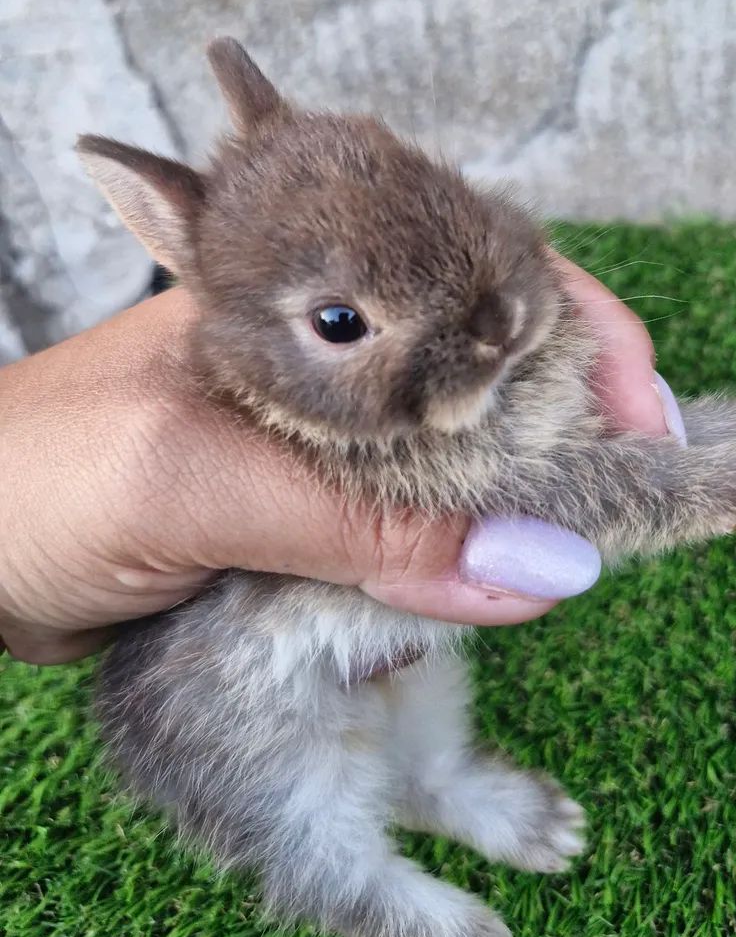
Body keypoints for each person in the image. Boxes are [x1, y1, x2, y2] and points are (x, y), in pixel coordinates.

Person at [0, 256, 686, 665]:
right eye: (339, 325)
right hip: (234, 658)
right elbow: (524, 486)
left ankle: (449, 785)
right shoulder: (327, 411)